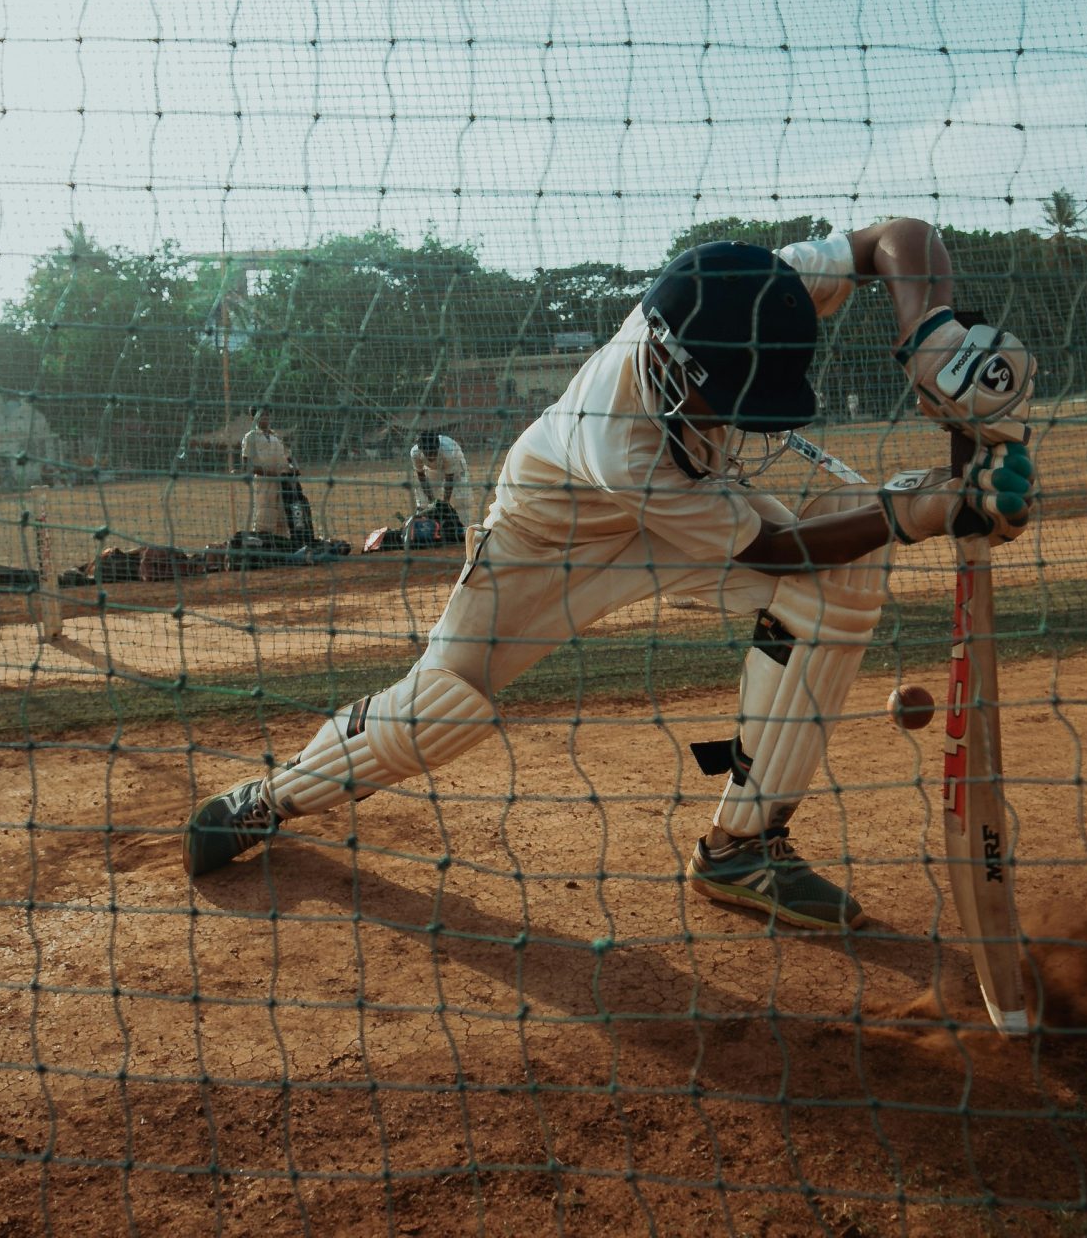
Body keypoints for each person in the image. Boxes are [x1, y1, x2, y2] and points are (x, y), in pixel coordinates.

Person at [185, 222, 1039, 933]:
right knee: (443, 708)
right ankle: (267, 798)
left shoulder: (748, 290)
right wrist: (921, 510)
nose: (743, 421)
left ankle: (743, 847)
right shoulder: (621, 438)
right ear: (671, 372)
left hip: (693, 505)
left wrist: (930, 335)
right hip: (548, 541)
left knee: (846, 576)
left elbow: (897, 237)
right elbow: (768, 554)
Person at [240, 408, 296, 537]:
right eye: (261, 415)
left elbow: (286, 457)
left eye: (267, 414)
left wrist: (291, 468)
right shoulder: (250, 437)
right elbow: (246, 466)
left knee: (284, 517)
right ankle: (264, 549)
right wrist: (271, 473)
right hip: (264, 483)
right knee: (264, 518)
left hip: (283, 482)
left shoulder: (275, 436)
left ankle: (282, 550)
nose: (265, 418)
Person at [409, 428, 472, 521]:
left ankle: (462, 527)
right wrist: (432, 503)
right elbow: (421, 477)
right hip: (432, 468)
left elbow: (449, 480)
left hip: (457, 465)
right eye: (428, 453)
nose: (431, 456)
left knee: (461, 498)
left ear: (437, 447)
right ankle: (423, 521)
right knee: (422, 498)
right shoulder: (415, 453)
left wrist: (444, 506)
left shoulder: (448, 451)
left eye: (433, 452)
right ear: (421, 449)